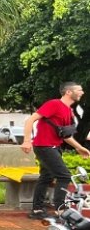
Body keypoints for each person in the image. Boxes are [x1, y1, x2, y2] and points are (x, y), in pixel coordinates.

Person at [21, 82, 90, 220]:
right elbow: (30, 120)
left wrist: (79, 147)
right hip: (44, 146)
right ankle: (61, 210)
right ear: (68, 92)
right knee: (64, 176)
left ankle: (37, 210)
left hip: (54, 147)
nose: (82, 92)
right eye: (79, 90)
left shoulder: (68, 111)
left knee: (46, 177)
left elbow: (66, 136)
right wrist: (27, 140)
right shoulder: (54, 104)